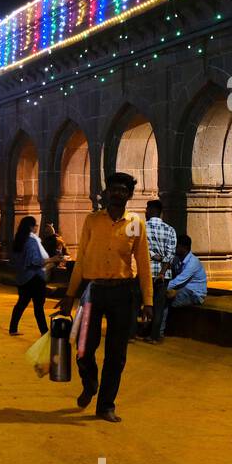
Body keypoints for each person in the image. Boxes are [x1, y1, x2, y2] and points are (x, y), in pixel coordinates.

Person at [57, 172, 153, 422]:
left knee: (116, 353)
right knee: (83, 347)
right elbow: (82, 261)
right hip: (93, 292)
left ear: (129, 195)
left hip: (123, 293)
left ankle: (106, 405)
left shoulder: (135, 224)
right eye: (113, 189)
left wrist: (149, 302)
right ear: (106, 193)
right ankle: (90, 383)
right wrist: (70, 294)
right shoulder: (92, 221)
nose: (118, 193)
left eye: (123, 190)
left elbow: (143, 265)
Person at [156, 235, 206, 339]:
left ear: (184, 248)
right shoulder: (178, 259)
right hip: (182, 290)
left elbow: (179, 281)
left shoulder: (193, 263)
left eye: (176, 246)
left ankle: (158, 333)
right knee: (163, 296)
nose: (174, 248)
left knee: (164, 300)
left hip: (195, 294)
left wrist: (160, 288)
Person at [9, 215, 50, 335]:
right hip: (34, 277)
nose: (37, 227)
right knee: (38, 306)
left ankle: (13, 328)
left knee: (21, 303)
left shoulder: (18, 240)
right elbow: (35, 261)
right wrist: (52, 259)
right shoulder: (31, 241)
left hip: (22, 277)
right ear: (31, 227)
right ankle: (44, 331)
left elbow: (13, 260)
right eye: (35, 225)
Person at [142, 199, 176, 343]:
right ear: (161, 212)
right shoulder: (170, 229)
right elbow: (171, 254)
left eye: (146, 210)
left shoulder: (142, 228)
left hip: (146, 271)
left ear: (150, 211)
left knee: (141, 302)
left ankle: (136, 332)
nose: (145, 212)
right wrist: (162, 272)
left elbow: (142, 251)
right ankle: (154, 336)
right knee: (159, 306)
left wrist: (154, 256)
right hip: (164, 274)